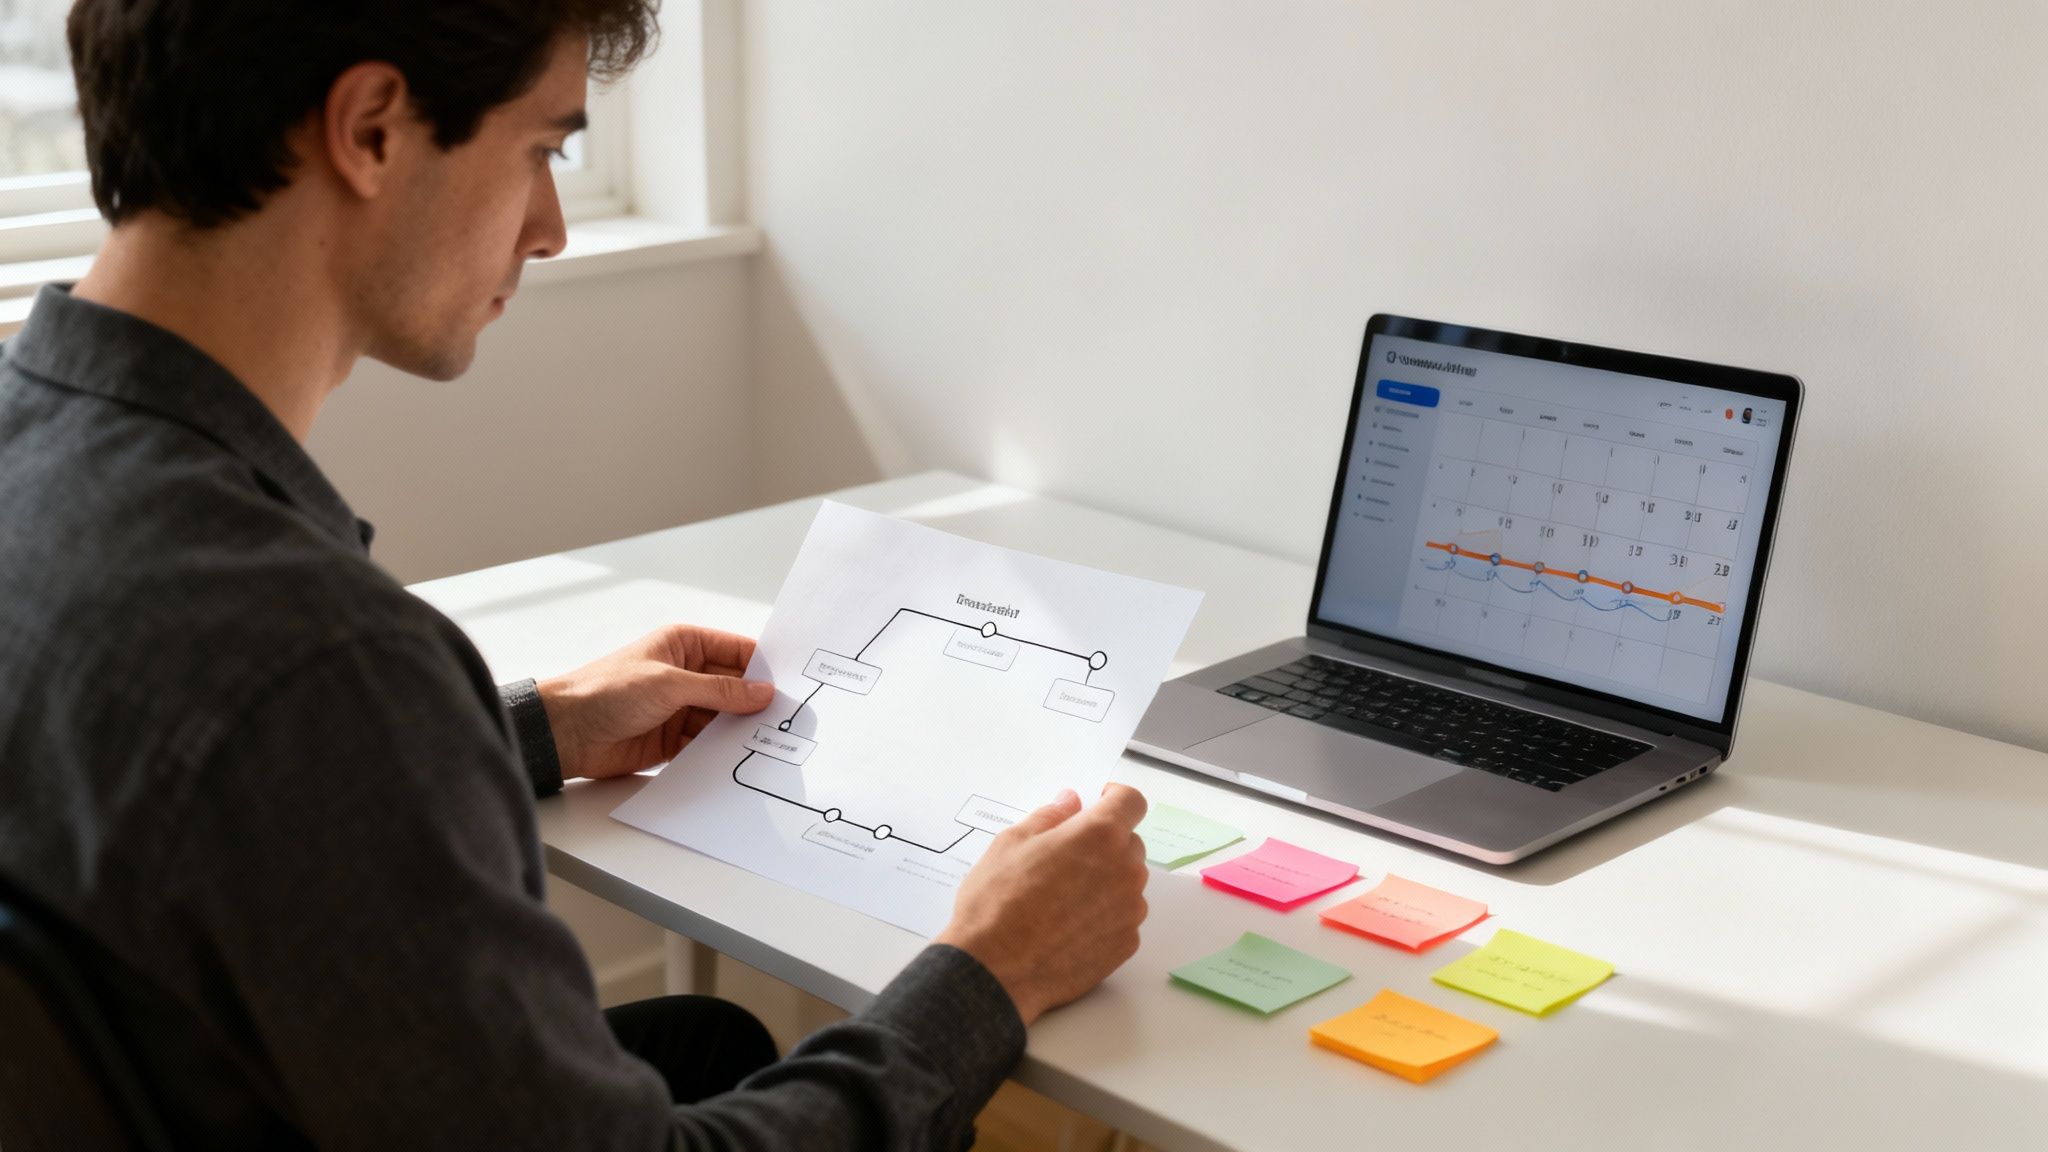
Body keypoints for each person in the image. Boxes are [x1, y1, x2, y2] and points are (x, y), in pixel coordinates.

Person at [0, 2, 1150, 1148]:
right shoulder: (319, 664)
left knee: (710, 1045)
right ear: (369, 129)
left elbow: (188, 789)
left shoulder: (39, 458)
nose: (549, 227)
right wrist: (992, 970)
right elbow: (290, 724)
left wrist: (538, 727)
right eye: (543, 149)